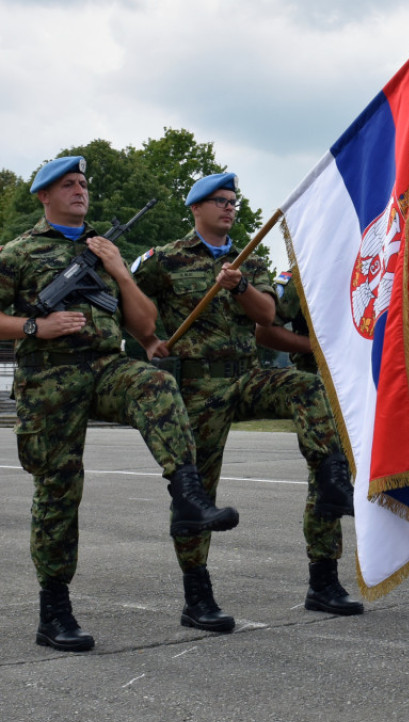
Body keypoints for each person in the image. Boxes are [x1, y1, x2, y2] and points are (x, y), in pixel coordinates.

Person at [0, 156, 237, 652]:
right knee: (59, 490)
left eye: (83, 184)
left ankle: (188, 495)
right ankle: (54, 611)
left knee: (155, 384)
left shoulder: (103, 250)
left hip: (107, 366)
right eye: (68, 185)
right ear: (44, 196)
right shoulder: (18, 253)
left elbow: (145, 327)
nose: (80, 191)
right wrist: (35, 326)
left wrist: (119, 272)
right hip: (49, 376)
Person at [133, 172, 357, 631]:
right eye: (219, 200)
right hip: (198, 388)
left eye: (233, 201)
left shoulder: (248, 259)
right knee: (197, 491)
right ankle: (197, 596)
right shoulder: (166, 259)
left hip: (246, 376)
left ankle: (330, 502)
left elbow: (267, 316)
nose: (229, 207)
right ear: (196, 207)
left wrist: (239, 286)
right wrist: (148, 339)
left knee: (306, 388)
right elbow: (125, 297)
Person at [253, 268, 364, 614]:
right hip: (321, 389)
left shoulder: (374, 261)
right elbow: (264, 331)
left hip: (368, 382)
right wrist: (319, 348)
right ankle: (323, 582)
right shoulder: (305, 271)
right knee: (328, 480)